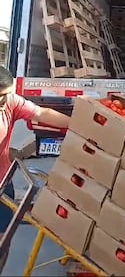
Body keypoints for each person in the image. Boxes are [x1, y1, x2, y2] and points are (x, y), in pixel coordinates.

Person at [0, 66, 71, 274]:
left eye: (7, 95)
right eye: (1, 96)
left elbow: (42, 113)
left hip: (4, 184)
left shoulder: (11, 103)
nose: (5, 101)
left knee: (3, 242)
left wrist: (79, 124)